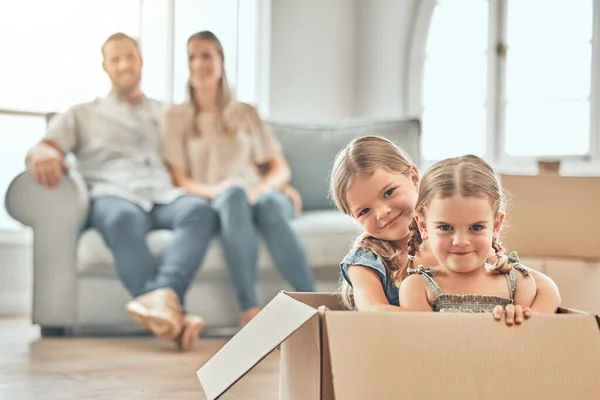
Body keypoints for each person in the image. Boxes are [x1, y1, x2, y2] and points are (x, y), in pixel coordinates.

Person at [25, 33, 217, 351]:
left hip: (164, 194)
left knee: (200, 211)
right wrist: (42, 154)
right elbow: (44, 145)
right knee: (123, 217)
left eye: (130, 57)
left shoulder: (166, 112)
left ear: (140, 61)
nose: (125, 64)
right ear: (105, 67)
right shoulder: (82, 113)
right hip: (114, 194)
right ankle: (174, 313)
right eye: (116, 59)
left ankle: (164, 302)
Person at [162, 31, 316, 328]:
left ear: (221, 62)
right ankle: (249, 312)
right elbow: (180, 179)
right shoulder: (176, 117)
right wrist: (219, 189)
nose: (198, 63)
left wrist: (261, 189)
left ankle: (316, 305)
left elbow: (280, 168)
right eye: (191, 57)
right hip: (221, 197)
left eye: (206, 55)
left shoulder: (245, 112)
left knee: (271, 205)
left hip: (262, 195)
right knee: (232, 196)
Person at [329, 136, 560, 324]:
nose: (382, 212)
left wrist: (530, 319)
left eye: (388, 192)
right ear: (353, 217)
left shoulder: (456, 245)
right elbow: (373, 312)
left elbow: (543, 286)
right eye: (364, 211)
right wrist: (449, 324)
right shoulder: (366, 261)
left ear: (414, 177)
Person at [399, 155, 538, 314]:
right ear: (423, 226)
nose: (460, 241)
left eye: (476, 227)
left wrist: (523, 323)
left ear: (496, 226)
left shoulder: (519, 283)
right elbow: (428, 339)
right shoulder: (417, 288)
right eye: (445, 227)